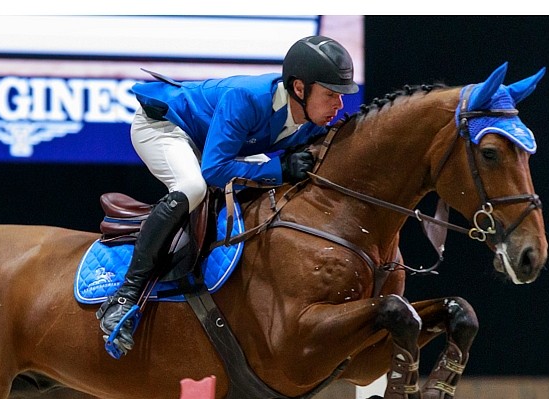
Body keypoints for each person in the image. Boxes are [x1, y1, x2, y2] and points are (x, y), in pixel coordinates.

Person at [97, 34, 358, 357]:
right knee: (192, 187)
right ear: (300, 89)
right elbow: (214, 171)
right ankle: (125, 295)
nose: (339, 105)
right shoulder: (245, 98)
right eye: (331, 94)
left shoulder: (311, 121)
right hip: (164, 127)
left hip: (210, 145)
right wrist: (279, 169)